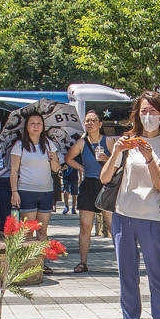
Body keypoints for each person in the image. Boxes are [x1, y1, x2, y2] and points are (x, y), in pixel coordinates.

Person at [108, 91, 160, 319]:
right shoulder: (129, 141)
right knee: (127, 274)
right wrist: (118, 152)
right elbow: (108, 177)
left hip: (153, 216)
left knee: (158, 274)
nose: (148, 116)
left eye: (153, 111)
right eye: (143, 111)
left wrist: (149, 157)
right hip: (124, 214)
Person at [66, 111, 113, 273]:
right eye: (87, 121)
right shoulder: (81, 142)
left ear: (100, 124)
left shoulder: (108, 141)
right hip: (88, 184)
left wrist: (107, 160)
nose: (90, 123)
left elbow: (120, 161)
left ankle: (122, 261)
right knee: (85, 227)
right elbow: (68, 158)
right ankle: (83, 262)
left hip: (105, 185)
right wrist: (81, 168)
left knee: (113, 225)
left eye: (93, 120)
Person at [9, 109, 62, 230]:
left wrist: (53, 158)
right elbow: (13, 170)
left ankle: (42, 250)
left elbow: (55, 168)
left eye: (39, 123)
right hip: (26, 190)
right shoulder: (20, 145)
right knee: (28, 231)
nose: (36, 126)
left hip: (46, 191)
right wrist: (14, 192)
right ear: (27, 127)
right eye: (32, 123)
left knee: (42, 230)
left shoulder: (49, 144)